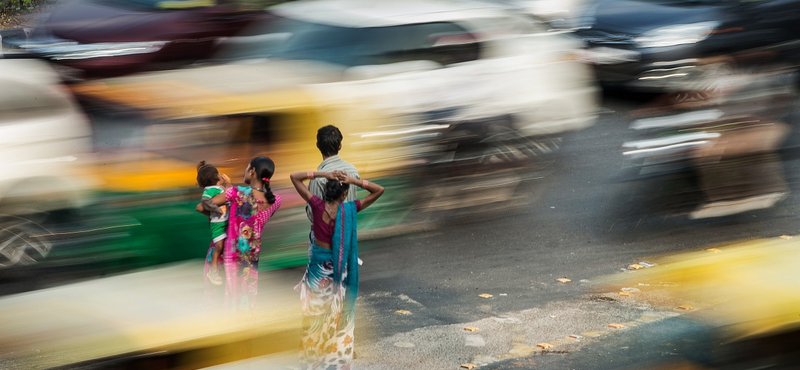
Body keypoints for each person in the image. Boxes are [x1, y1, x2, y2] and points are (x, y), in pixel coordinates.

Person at [290, 169, 384, 370]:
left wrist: (322, 174)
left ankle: (311, 362)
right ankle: (334, 362)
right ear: (343, 195)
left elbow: (294, 177)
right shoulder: (349, 209)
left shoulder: (316, 205)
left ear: (326, 190)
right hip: (338, 273)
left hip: (317, 273)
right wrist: (354, 181)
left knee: (314, 318)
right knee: (338, 316)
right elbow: (379, 190)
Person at [196, 156, 282, 312]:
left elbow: (202, 207)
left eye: (247, 167)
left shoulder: (236, 192)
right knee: (244, 301)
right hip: (248, 261)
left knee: (216, 305)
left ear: (252, 171)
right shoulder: (276, 200)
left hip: (224, 257)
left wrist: (216, 215)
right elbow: (252, 215)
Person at [306, 126, 360, 255]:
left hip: (323, 239)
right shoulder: (353, 172)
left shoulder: (318, 178)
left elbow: (313, 215)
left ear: (318, 145)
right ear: (340, 145)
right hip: (347, 235)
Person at [196, 161, 232, 286]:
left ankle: (219, 268)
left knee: (224, 246)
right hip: (218, 224)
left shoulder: (218, 188)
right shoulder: (209, 190)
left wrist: (226, 185)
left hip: (223, 222)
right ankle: (213, 270)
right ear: (216, 176)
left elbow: (228, 194)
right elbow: (205, 201)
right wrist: (215, 210)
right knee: (219, 246)